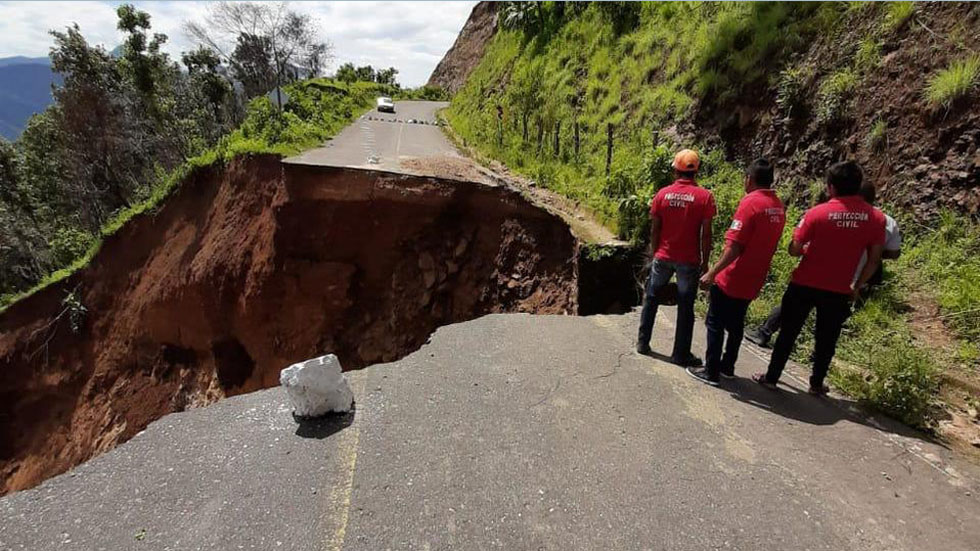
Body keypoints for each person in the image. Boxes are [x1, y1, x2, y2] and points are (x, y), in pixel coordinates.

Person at [753, 161, 886, 396]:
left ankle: (772, 377)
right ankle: (816, 384)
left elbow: (794, 249)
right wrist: (857, 284)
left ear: (831, 187)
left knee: (788, 333)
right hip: (839, 288)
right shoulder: (875, 219)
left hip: (804, 283)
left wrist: (804, 250)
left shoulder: (817, 213)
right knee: (827, 339)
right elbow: (874, 260)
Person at [745, 183, 901, 347]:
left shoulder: (835, 213)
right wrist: (872, 251)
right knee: (833, 321)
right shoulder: (886, 221)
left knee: (793, 305)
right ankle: (816, 355)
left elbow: (800, 246)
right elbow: (894, 253)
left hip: (820, 273)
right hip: (852, 281)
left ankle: (766, 334)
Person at [687, 159, 785, 386]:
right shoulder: (777, 206)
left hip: (733, 275)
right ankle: (728, 365)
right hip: (755, 276)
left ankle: (711, 371)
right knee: (737, 322)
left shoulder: (751, 203)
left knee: (715, 322)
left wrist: (712, 272)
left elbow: (735, 246)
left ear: (749, 179)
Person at [636, 149, 716, 367]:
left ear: (675, 171)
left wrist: (655, 252)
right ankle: (680, 354)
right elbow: (706, 234)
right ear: (696, 171)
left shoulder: (662, 194)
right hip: (688, 260)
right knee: (685, 306)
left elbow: (655, 228)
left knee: (651, 298)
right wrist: (705, 262)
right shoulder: (705, 197)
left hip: (663, 255)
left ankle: (643, 343)